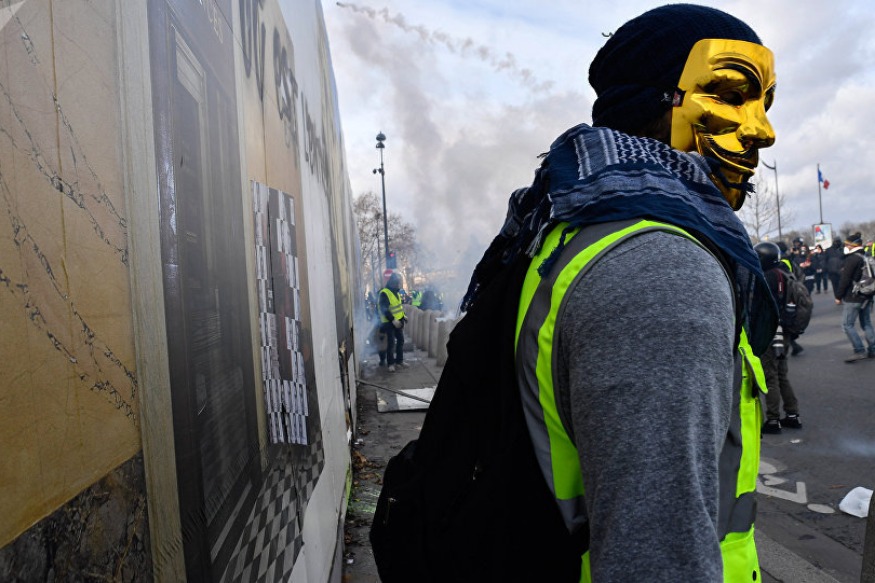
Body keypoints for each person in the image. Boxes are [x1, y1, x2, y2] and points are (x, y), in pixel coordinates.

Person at [458, 5, 777, 581]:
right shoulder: (662, 268)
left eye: (765, 105)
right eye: (731, 95)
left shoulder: (576, 223)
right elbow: (655, 558)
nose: (763, 131)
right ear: (653, 103)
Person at [755, 242, 802, 434]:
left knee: (770, 376)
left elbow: (758, 307)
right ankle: (792, 414)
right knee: (782, 374)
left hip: (771, 331)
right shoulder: (784, 273)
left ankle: (773, 420)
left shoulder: (767, 277)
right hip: (784, 331)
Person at [835, 232, 875, 362]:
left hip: (854, 296)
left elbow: (845, 279)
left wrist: (838, 296)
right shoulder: (866, 256)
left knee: (847, 324)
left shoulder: (852, 259)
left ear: (853, 245)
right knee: (866, 323)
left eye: (847, 245)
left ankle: (859, 350)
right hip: (867, 294)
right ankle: (873, 349)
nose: (845, 247)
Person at [377, 272, 407, 371]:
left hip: (397, 321)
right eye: (398, 282)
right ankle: (391, 364)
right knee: (391, 343)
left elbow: (398, 308)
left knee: (401, 340)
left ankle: (399, 361)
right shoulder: (385, 293)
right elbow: (384, 309)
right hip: (388, 322)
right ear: (393, 282)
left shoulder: (396, 292)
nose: (400, 284)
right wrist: (393, 319)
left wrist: (404, 316)